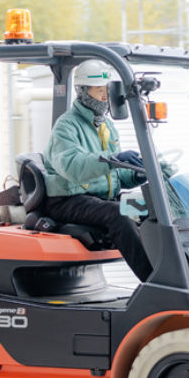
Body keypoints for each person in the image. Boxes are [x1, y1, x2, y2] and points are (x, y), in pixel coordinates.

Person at [42, 59, 153, 282]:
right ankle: (154, 281)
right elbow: (73, 167)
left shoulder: (105, 126)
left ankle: (177, 271)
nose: (104, 96)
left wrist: (138, 173)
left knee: (152, 206)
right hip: (69, 199)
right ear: (82, 91)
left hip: (101, 198)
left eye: (106, 89)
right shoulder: (66, 125)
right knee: (119, 214)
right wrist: (113, 159)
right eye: (98, 90)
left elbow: (115, 174)